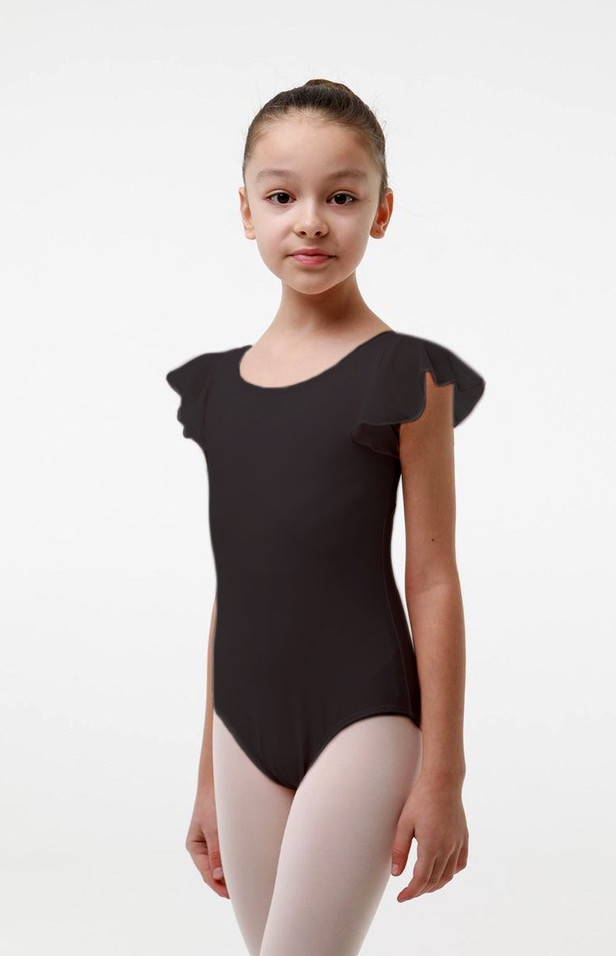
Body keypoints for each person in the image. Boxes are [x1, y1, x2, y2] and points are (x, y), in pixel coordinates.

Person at [166, 78, 486, 956]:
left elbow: (434, 578)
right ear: (246, 211)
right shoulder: (218, 388)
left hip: (364, 715)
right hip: (243, 726)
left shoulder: (406, 375)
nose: (310, 222)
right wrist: (207, 772)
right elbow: (238, 581)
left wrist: (445, 775)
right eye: (282, 197)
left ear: (381, 211)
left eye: (341, 198)